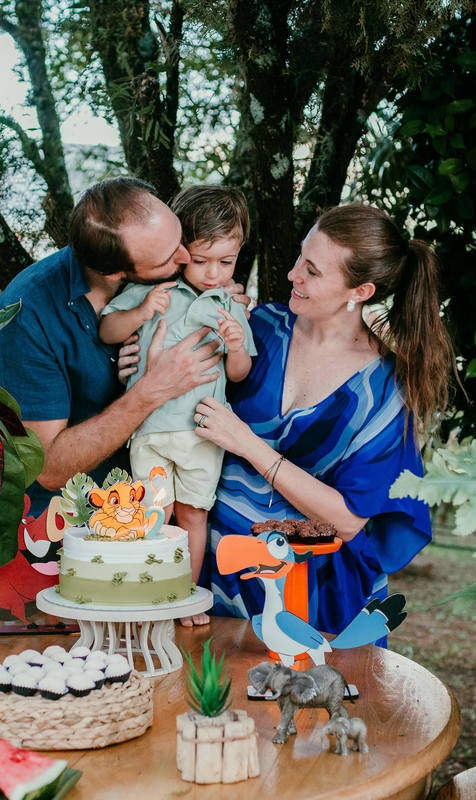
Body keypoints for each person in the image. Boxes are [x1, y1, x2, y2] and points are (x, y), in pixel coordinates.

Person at [193, 203, 454, 640]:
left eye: (312, 271)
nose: (293, 274)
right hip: (218, 573)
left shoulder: (385, 390)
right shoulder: (259, 327)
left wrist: (247, 443)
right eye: (300, 257)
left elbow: (350, 520)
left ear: (361, 291)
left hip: (310, 593)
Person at [0, 177, 224, 518]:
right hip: (68, 520)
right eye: (168, 258)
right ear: (116, 273)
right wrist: (151, 390)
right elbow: (48, 468)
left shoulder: (167, 269)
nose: (186, 256)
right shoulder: (28, 315)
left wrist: (225, 301)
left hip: (162, 498)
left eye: (179, 238)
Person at [98, 186, 256, 626]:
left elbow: (239, 373)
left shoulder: (229, 304)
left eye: (226, 262)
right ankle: (152, 597)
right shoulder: (154, 289)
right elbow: (108, 330)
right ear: (181, 251)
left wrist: (236, 345)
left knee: (193, 515)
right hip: (151, 428)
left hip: (203, 432)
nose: (213, 273)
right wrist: (142, 311)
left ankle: (185, 597)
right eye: (201, 260)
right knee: (154, 513)